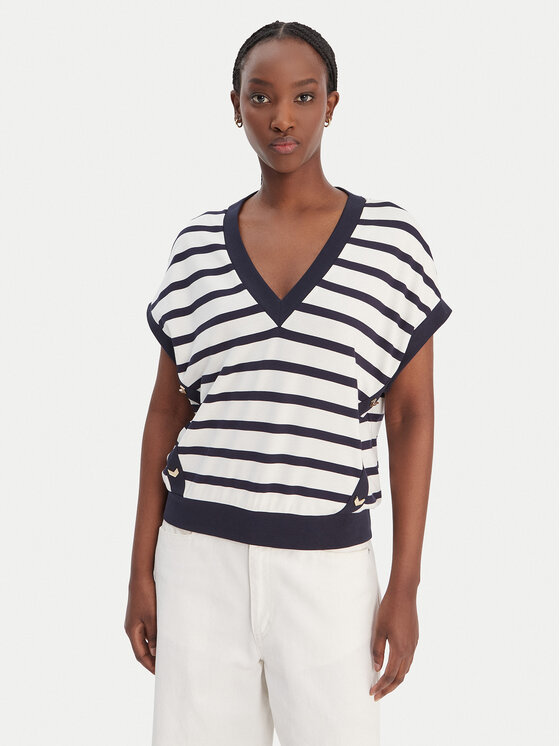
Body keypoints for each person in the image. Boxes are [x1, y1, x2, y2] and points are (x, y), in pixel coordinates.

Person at [124, 19, 452, 746]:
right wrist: (141, 570)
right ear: (235, 105)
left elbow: (411, 417)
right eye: (261, 96)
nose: (282, 117)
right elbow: (166, 414)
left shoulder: (391, 245)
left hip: (328, 571)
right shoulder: (196, 249)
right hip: (198, 558)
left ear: (332, 104)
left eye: (304, 96)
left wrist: (406, 582)